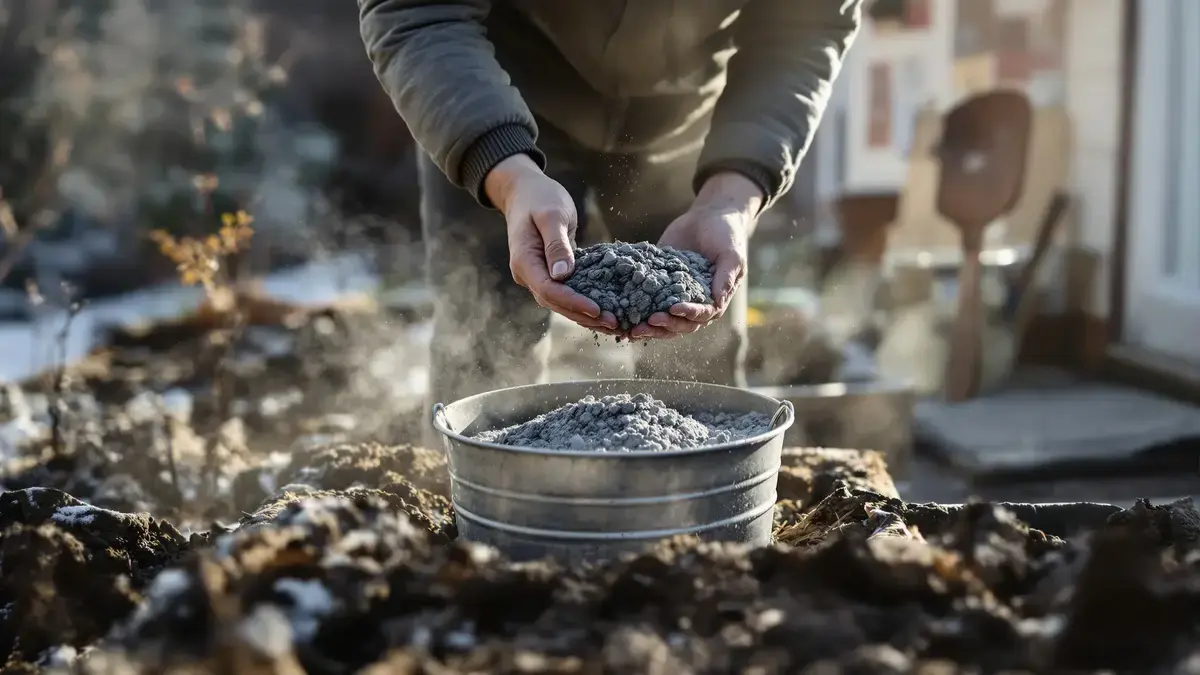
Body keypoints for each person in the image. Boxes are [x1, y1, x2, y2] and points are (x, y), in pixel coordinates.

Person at [358, 0, 863, 419]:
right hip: (491, 98)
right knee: (483, 349)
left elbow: (807, 25)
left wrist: (729, 199)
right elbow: (417, 11)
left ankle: (703, 501)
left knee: (696, 369)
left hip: (687, 125)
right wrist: (508, 176)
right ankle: (471, 498)